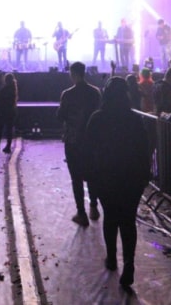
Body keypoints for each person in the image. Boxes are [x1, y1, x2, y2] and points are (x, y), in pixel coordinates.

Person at [85, 77, 153, 288]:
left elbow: (88, 149)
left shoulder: (97, 118)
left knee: (111, 217)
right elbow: (144, 148)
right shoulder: (134, 119)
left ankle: (112, 257)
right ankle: (129, 263)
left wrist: (89, 174)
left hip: (106, 175)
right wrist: (144, 174)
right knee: (128, 220)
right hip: (131, 176)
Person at [58, 61, 102, 225]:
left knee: (76, 177)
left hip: (73, 140)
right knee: (92, 174)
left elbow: (60, 116)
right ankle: (94, 207)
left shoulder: (67, 94)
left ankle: (81, 213)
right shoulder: (95, 92)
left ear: (73, 74)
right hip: (92, 140)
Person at [0, 72, 18, 153]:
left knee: (0, 128)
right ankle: (8, 146)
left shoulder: (5, 89)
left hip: (3, 111)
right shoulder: (13, 89)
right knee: (9, 129)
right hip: (10, 111)